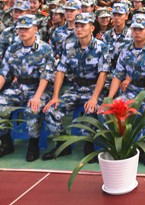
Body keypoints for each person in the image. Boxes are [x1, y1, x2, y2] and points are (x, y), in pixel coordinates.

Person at [42, 12, 110, 162]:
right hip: (76, 88)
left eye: (83, 26)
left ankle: (89, 145)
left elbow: (103, 74)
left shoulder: (102, 47)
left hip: (95, 89)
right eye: (77, 26)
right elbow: (60, 71)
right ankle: (62, 144)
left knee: (90, 111)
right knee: (52, 111)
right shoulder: (69, 47)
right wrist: (55, 96)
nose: (79, 29)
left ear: (92, 28)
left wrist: (94, 98)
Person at [107, 14, 145, 166]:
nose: (137, 32)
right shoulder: (125, 49)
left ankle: (144, 149)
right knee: (112, 110)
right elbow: (118, 75)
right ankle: (121, 147)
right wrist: (109, 98)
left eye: (141, 29)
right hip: (131, 90)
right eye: (134, 29)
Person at [0, 15, 53, 162]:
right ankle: (6, 142)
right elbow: (4, 73)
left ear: (35, 29)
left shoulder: (44, 49)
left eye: (26, 28)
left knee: (33, 109)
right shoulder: (13, 48)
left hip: (39, 87)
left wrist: (36, 97)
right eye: (20, 29)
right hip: (18, 86)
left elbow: (46, 76)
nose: (22, 32)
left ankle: (33, 144)